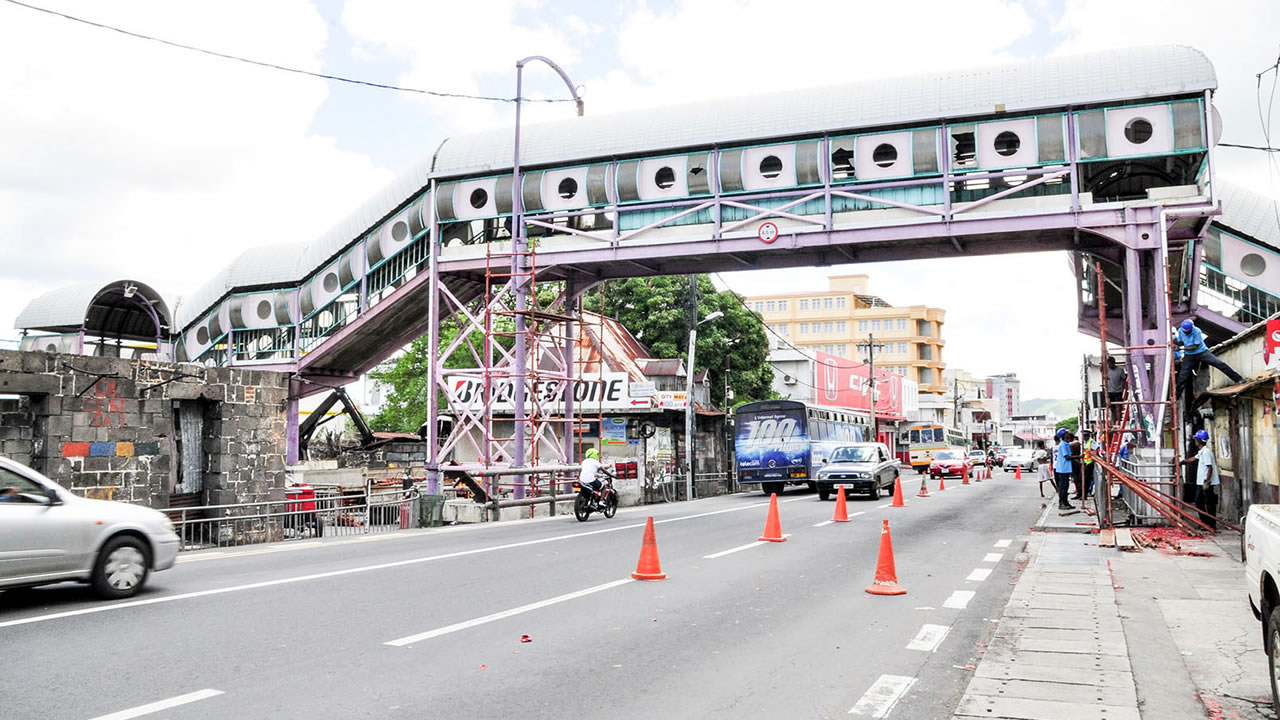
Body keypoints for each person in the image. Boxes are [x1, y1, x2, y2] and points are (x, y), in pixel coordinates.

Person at [1175, 319, 1243, 397]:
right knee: (1183, 375)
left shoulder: (1197, 331)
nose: (1185, 332)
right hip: (1189, 355)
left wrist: (1181, 349)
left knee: (1219, 364)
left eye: (1187, 331)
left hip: (1202, 352)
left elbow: (1195, 347)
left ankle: (1238, 379)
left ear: (1191, 329)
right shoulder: (1180, 331)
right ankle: (1176, 395)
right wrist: (1177, 344)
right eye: (1184, 331)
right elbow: (1181, 342)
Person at [1179, 429, 1219, 530]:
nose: (1195, 442)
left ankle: (1209, 524)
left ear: (1199, 441)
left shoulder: (1206, 452)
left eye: (1196, 440)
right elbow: (1194, 458)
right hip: (1202, 482)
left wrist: (1207, 481)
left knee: (1206, 503)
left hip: (1206, 483)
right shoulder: (1202, 452)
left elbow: (1210, 467)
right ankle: (1206, 523)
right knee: (1200, 502)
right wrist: (1182, 462)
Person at [1053, 428, 1074, 510]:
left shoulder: (1066, 444)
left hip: (1066, 468)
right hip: (1063, 469)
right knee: (1063, 487)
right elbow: (1067, 457)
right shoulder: (1063, 445)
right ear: (1064, 436)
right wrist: (1079, 457)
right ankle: (1062, 503)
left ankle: (1066, 502)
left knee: (1066, 486)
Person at [1106, 356, 1127, 423]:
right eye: (1108, 364)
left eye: (1110, 364)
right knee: (1112, 409)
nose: (1109, 365)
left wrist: (1124, 388)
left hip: (1118, 391)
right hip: (1110, 392)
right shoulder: (1107, 371)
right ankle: (1114, 423)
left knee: (1118, 408)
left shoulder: (1120, 370)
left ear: (1113, 363)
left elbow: (1124, 380)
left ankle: (1118, 422)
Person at [1081, 429, 1100, 498]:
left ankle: (1086, 494)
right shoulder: (1084, 442)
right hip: (1085, 463)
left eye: (1084, 436)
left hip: (1090, 463)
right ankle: (1084, 494)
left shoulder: (1091, 442)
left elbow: (1096, 451)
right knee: (1084, 479)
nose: (1083, 437)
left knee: (1087, 480)